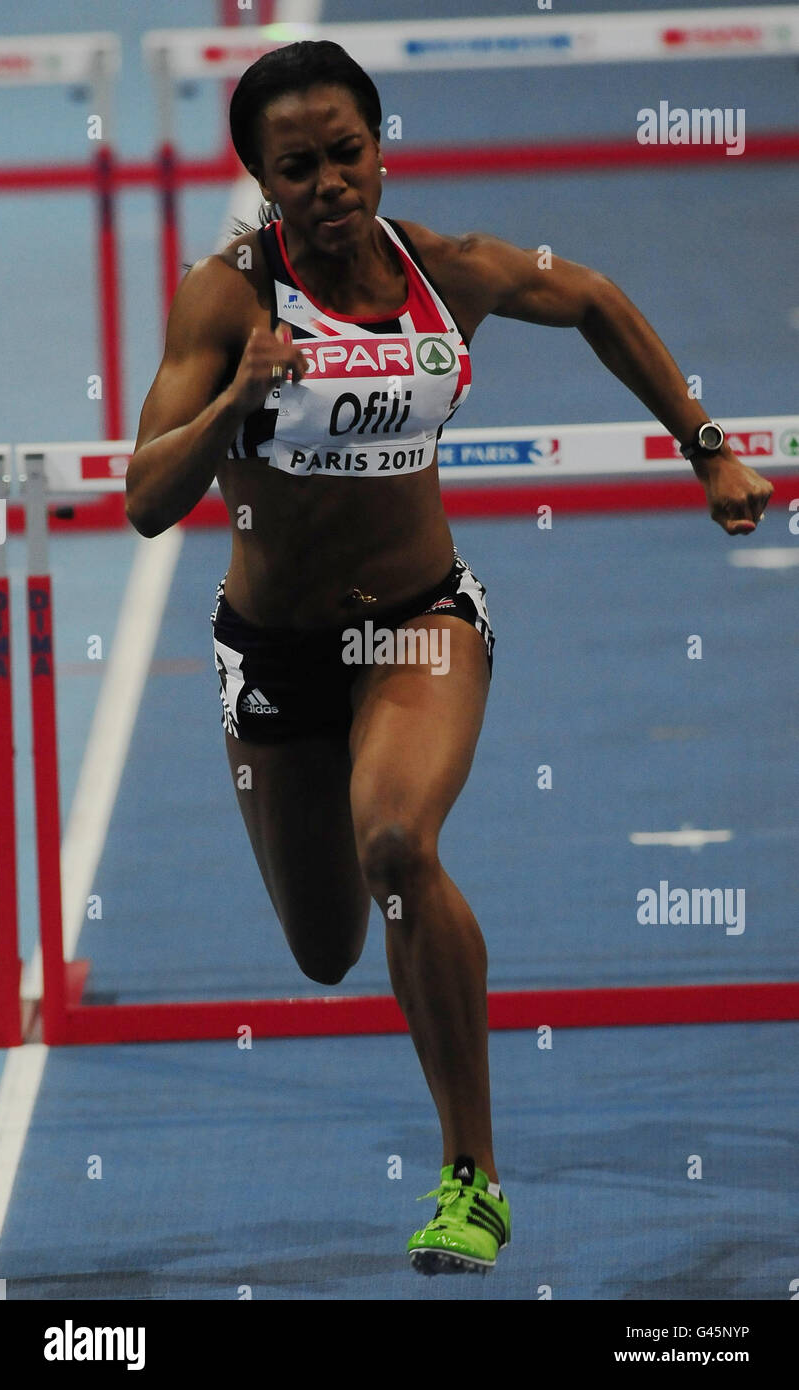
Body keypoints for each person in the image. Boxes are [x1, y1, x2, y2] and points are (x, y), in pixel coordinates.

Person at [125, 40, 773, 1277]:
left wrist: (706, 446)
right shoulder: (227, 300)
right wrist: (234, 404)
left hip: (418, 621)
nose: (327, 183)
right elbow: (147, 499)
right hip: (270, 657)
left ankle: (470, 1175)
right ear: (261, 179)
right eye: (295, 166)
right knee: (324, 952)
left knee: (396, 844)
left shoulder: (447, 271)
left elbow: (586, 295)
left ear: (381, 146)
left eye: (345, 153)